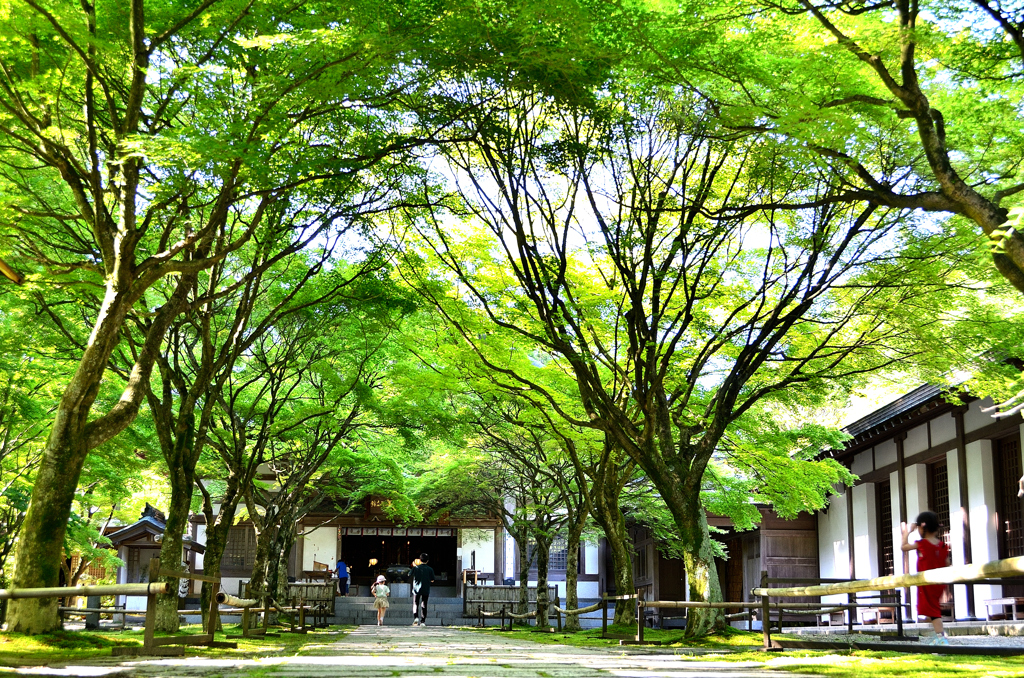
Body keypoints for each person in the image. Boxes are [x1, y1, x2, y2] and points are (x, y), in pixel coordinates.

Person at [901, 510, 952, 646]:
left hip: (927, 582)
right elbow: (947, 562)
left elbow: (903, 547)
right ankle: (938, 635)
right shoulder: (942, 545)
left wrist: (908, 532)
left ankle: (941, 638)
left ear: (922, 528)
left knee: (933, 611)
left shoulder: (922, 544)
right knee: (930, 610)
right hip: (939, 582)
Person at [411, 552, 434, 627]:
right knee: (424, 604)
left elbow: (409, 574)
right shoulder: (430, 569)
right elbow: (432, 580)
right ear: (427, 561)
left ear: (420, 560)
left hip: (416, 589)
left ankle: (416, 617)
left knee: (415, 603)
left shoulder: (416, 568)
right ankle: (423, 621)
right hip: (425, 588)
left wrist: (414, 566)